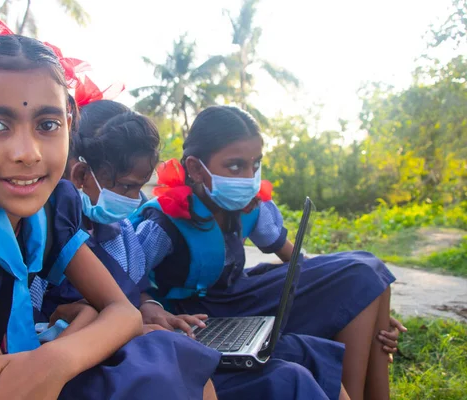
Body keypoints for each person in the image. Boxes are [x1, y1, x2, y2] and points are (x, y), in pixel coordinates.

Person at [0, 8, 216, 399]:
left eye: (47, 125)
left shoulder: (51, 205)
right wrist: (84, 330)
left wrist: (59, 357)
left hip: (17, 364)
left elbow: (124, 312)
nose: (27, 153)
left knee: (173, 354)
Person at [35, 99, 349, 400]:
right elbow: (51, 321)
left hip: (158, 341)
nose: (135, 199)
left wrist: (152, 310)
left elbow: (134, 295)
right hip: (122, 361)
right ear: (78, 175)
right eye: (128, 187)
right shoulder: (53, 235)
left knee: (312, 355)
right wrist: (137, 327)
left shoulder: (121, 233)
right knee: (287, 379)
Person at [131, 105, 403, 400]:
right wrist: (153, 307)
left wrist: (355, 298)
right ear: (196, 168)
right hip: (194, 316)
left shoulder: (252, 208)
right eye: (235, 166)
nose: (249, 177)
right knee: (360, 274)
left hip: (238, 296)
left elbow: (297, 263)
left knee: (365, 268)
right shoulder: (165, 222)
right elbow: (129, 281)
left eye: (255, 165)